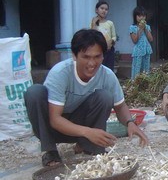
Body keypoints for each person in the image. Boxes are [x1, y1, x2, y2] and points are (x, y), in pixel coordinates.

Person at [24, 29, 149, 167]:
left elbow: (120, 106)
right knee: (34, 92)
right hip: (53, 128)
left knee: (104, 96)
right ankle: (50, 151)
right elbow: (55, 120)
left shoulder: (107, 75)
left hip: (79, 125)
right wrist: (88, 132)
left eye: (97, 57)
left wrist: (130, 123)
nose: (91, 63)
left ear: (103, 56)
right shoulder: (60, 73)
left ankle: (89, 146)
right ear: (74, 55)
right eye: (86, 57)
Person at [90, 1, 117, 71]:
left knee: (109, 69)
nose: (104, 11)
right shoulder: (93, 23)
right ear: (96, 10)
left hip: (109, 50)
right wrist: (94, 24)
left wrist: (111, 41)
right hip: (98, 50)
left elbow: (114, 36)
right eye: (102, 8)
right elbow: (92, 36)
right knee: (98, 69)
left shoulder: (110, 23)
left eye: (106, 9)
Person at [129, 6, 153, 79]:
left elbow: (151, 39)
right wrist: (140, 29)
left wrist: (145, 28)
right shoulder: (132, 27)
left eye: (143, 16)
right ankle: (135, 83)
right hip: (138, 52)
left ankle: (145, 82)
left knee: (146, 69)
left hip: (147, 50)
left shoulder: (147, 27)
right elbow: (135, 40)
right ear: (135, 17)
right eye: (139, 16)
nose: (141, 18)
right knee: (137, 69)